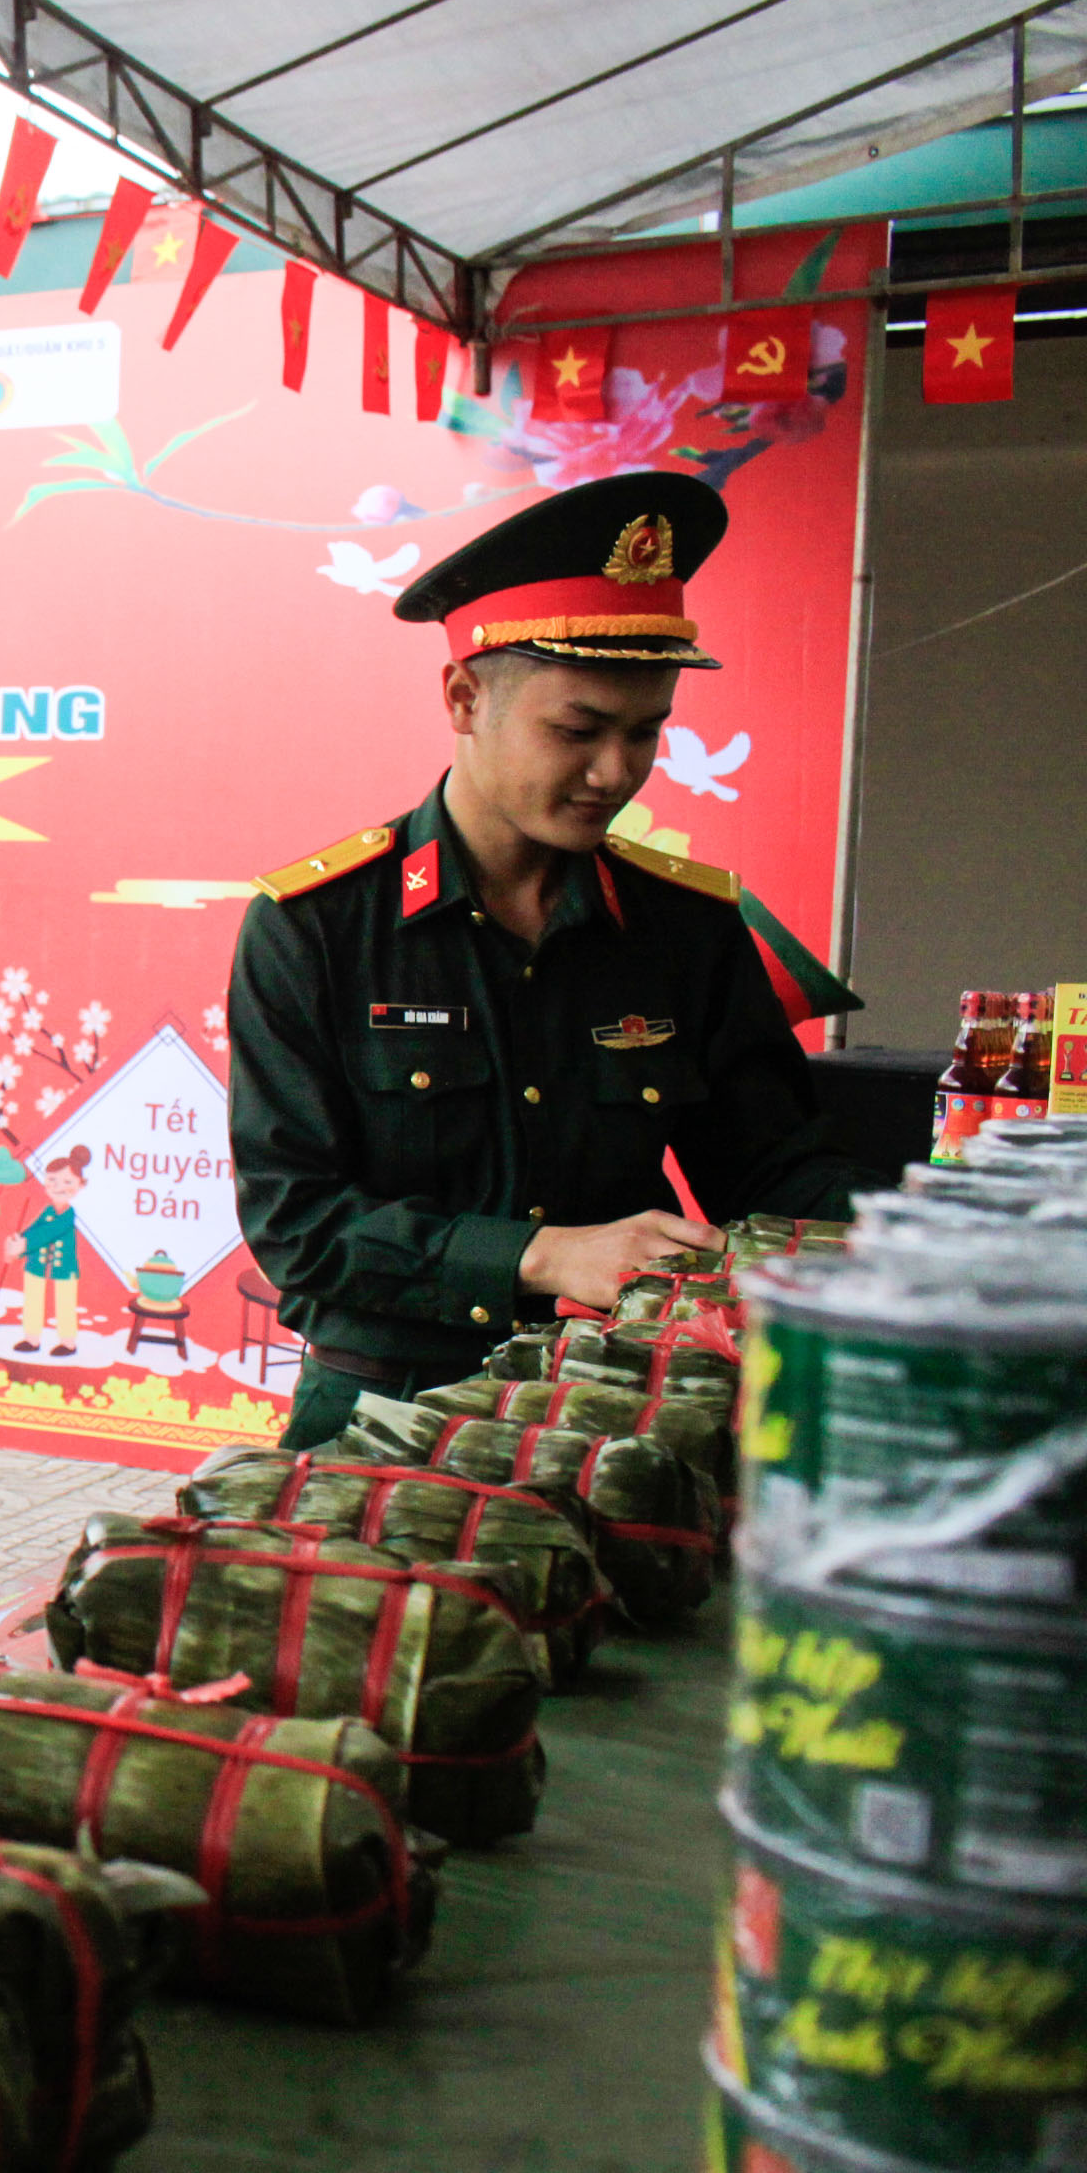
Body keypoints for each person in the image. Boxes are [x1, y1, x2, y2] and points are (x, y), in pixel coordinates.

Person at [228, 471, 868, 1450]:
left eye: (645, 732)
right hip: (380, 1417)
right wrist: (539, 1255)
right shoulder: (317, 927)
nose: (615, 772)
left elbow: (772, 1170)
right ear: (464, 698)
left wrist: (944, 1238)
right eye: (577, 731)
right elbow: (298, 1225)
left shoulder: (685, 928)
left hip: (617, 1406)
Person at [10, 1147, 91, 1358]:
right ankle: (32, 1339)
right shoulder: (47, 1211)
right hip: (36, 1264)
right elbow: (34, 1229)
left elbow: (48, 1233)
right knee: (33, 1300)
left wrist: (25, 1244)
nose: (58, 1187)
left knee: (65, 1304)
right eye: (52, 1180)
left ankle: (68, 1343)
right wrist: (18, 1242)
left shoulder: (68, 1215)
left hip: (64, 1268)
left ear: (80, 1185)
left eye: (67, 1182)